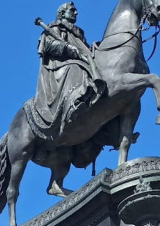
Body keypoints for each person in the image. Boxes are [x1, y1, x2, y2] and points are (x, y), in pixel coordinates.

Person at [27, 2, 105, 139]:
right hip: (60, 64)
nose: (76, 13)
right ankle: (73, 104)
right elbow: (48, 44)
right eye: (72, 10)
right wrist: (66, 48)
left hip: (81, 60)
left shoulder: (78, 32)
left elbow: (84, 48)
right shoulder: (54, 28)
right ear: (62, 13)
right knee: (75, 68)